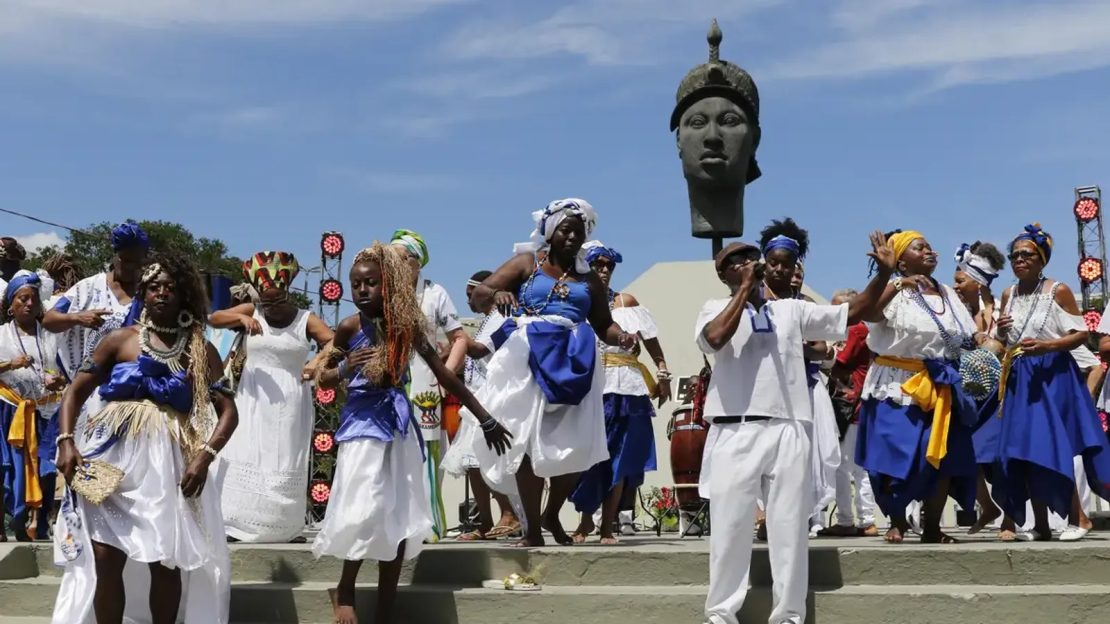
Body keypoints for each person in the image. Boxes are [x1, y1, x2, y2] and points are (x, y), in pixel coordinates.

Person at [697, 233, 893, 624]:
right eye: (738, 262)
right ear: (724, 275)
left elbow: (854, 312)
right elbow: (716, 339)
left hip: (789, 428)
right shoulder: (713, 307)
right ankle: (720, 614)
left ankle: (788, 615)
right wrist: (746, 292)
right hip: (735, 430)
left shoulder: (790, 310)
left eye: (754, 258)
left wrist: (884, 273)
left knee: (789, 530)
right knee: (730, 529)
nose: (750, 265)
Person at [311, 243, 511, 624]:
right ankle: (346, 589)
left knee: (399, 516)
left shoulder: (408, 325)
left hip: (399, 424)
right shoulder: (350, 327)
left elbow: (445, 374)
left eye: (371, 283)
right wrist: (345, 369)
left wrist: (484, 417)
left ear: (389, 286)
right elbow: (322, 376)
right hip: (361, 426)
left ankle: (387, 606)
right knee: (362, 507)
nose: (363, 290)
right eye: (356, 284)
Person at [52, 253, 238, 623]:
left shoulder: (200, 350)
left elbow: (229, 413)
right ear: (144, 292)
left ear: (185, 294)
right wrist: (66, 440)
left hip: (166, 466)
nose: (162, 294)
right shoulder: (118, 340)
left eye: (171, 287)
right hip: (110, 461)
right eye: (154, 287)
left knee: (164, 561)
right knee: (106, 560)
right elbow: (75, 391)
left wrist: (204, 457)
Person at [469, 198, 636, 548]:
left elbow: (603, 324)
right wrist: (499, 293)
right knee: (527, 441)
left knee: (574, 446)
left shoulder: (589, 279)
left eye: (579, 231)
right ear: (550, 231)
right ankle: (532, 529)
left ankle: (553, 513)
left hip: (575, 359)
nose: (573, 236)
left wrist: (621, 336)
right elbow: (479, 296)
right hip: (528, 356)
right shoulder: (527, 263)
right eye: (566, 229)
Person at [856, 230, 984, 545]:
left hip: (942, 382)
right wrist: (895, 281)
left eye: (928, 245)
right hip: (897, 384)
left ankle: (932, 528)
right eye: (919, 247)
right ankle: (897, 520)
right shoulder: (892, 289)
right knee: (891, 454)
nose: (928, 250)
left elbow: (964, 335)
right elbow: (869, 313)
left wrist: (982, 341)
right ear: (900, 261)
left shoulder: (947, 293)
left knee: (940, 455)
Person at [993, 224, 1110, 541]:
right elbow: (1003, 341)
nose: (1019, 259)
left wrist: (1047, 346)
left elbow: (1082, 334)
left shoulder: (1058, 290)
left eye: (1027, 254)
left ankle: (1080, 518)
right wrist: (1002, 331)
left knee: (1051, 445)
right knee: (1024, 448)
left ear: (1041, 258)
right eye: (1015, 255)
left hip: (1052, 373)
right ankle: (1040, 525)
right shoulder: (1008, 294)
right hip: (1020, 374)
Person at [210, 251, 334, 543]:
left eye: (278, 301)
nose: (272, 307)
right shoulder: (253, 311)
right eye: (267, 302)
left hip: (291, 397)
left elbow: (333, 340)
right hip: (253, 397)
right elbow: (213, 318)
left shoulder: (305, 318)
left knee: (285, 457)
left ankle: (284, 527)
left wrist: (315, 364)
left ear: (288, 293)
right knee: (247, 452)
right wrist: (241, 315)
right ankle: (238, 524)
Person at [569, 241, 673, 545]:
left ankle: (607, 526)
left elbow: (650, 339)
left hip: (625, 386)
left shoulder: (625, 302)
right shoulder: (574, 301)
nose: (604, 270)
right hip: (589, 385)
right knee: (587, 455)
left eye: (608, 266)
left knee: (619, 455)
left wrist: (662, 371)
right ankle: (586, 518)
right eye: (597, 264)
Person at [756, 219, 841, 537]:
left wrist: (793, 341)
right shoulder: (753, 301)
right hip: (764, 390)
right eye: (774, 263)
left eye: (789, 265)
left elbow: (819, 348)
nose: (782, 270)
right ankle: (767, 516)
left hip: (803, 387)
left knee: (802, 456)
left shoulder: (805, 306)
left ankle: (799, 515)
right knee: (765, 457)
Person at [390, 229, 466, 541]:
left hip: (425, 385)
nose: (392, 265)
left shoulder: (435, 294)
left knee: (427, 454)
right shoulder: (382, 291)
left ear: (416, 263)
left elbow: (459, 339)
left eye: (399, 259)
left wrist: (444, 377)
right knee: (390, 452)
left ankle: (429, 526)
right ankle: (393, 525)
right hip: (390, 384)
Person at [442, 271, 522, 541]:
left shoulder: (505, 315)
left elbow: (478, 351)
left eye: (471, 294)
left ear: (488, 291)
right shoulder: (486, 320)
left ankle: (509, 514)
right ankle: (486, 522)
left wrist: (457, 338)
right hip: (475, 398)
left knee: (483, 460)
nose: (468, 300)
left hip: (493, 399)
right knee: (471, 463)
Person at [951, 242, 1017, 538]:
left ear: (978, 283)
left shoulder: (1004, 308)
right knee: (968, 454)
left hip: (1000, 396)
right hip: (967, 396)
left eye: (960, 280)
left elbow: (1003, 348)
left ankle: (1010, 519)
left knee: (1000, 457)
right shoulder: (955, 312)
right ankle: (987, 506)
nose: (955, 285)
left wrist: (997, 338)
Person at [0, 271, 65, 542]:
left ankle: (39, 525)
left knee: (46, 468)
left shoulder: (52, 335)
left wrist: (58, 380)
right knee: (9, 469)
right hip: (9, 410)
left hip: (46, 411)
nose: (29, 304)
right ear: (10, 305)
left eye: (33, 299)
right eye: (22, 299)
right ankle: (11, 522)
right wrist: (10, 365)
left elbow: (67, 373)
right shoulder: (1, 335)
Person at [43, 222, 149, 382]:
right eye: (125, 260)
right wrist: (77, 318)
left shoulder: (147, 294)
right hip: (86, 390)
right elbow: (49, 320)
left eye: (137, 262)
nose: (131, 267)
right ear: (115, 256)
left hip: (129, 389)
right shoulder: (87, 288)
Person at [821, 288, 879, 537]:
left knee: (849, 466)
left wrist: (818, 354)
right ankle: (854, 518)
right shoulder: (850, 330)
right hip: (847, 404)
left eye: (838, 308)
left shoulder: (856, 330)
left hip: (852, 405)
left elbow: (841, 362)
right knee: (847, 466)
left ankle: (861, 520)